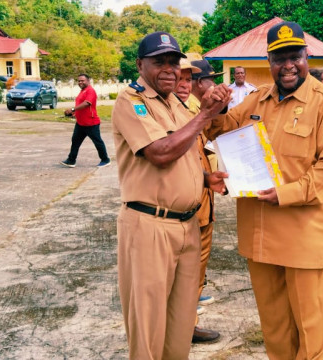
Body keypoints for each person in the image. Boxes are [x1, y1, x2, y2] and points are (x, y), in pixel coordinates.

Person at [205, 21, 323, 359]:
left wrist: (286, 194)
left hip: (306, 239)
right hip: (262, 238)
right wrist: (213, 107)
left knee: (312, 329)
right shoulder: (259, 99)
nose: (287, 65)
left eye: (294, 56)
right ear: (269, 61)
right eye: (278, 58)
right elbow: (222, 130)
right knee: (275, 328)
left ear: (307, 57)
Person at [111, 31, 230, 359]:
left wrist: (206, 178)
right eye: (158, 61)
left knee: (179, 325)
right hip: (150, 225)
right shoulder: (130, 101)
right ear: (140, 64)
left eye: (173, 62)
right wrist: (204, 114)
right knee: (148, 328)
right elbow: (161, 153)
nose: (168, 69)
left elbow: (187, 151)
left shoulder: (175, 103)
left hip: (187, 226)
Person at [173, 54, 222, 344]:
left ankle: (188, 322)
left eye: (188, 78)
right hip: (189, 204)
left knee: (197, 270)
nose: (184, 84)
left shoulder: (193, 107)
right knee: (187, 272)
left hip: (205, 198)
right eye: (179, 78)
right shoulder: (180, 111)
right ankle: (185, 326)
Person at [60, 74, 111, 168]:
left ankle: (105, 159)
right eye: (79, 81)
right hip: (81, 123)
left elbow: (87, 103)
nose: (80, 82)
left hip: (91, 123)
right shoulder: (82, 91)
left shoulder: (90, 91)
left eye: (82, 80)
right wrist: (73, 114)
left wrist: (72, 109)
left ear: (88, 81)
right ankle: (71, 160)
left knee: (97, 141)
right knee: (75, 141)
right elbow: (80, 106)